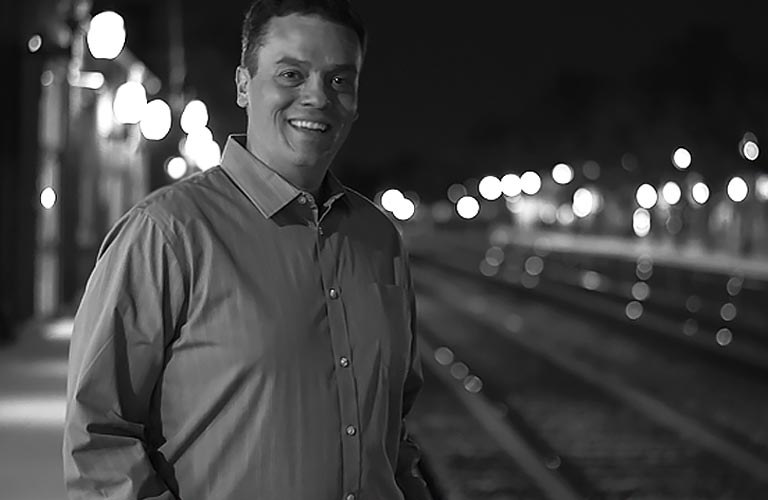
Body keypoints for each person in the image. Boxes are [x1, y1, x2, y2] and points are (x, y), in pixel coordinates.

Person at [62, 1, 430, 499]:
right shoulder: (166, 234)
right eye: (292, 74)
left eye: (339, 80)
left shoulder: (380, 240)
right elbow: (97, 442)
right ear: (243, 84)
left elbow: (393, 426)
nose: (317, 97)